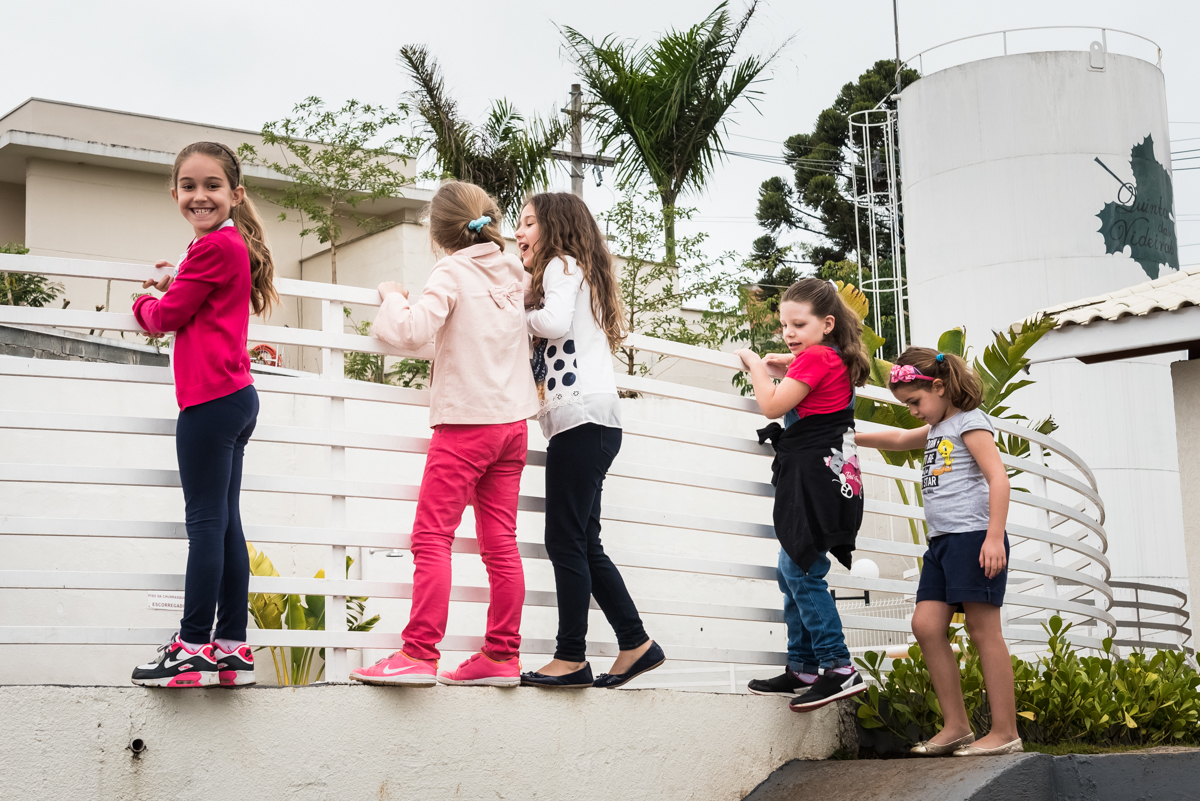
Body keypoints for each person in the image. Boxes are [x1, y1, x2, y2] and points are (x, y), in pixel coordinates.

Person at [350, 181, 539, 688]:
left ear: (437, 234)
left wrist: (392, 297)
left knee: (432, 537)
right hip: (513, 427)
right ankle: (502, 655)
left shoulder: (452, 270)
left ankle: (418, 653)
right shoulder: (514, 269)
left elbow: (410, 331)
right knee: (501, 544)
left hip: (466, 426)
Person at [130, 142, 278, 688]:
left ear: (235, 195)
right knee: (226, 524)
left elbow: (166, 316)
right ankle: (231, 646)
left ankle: (192, 645)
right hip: (234, 397)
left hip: (210, 402)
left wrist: (143, 300)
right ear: (175, 193)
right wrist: (175, 279)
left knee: (207, 525)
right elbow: (199, 299)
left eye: (212, 186)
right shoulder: (223, 245)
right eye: (189, 186)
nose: (200, 195)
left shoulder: (215, 246)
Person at [513, 193, 664, 690]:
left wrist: (513, 314)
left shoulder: (561, 264)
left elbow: (553, 324)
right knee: (582, 540)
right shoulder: (575, 271)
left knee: (564, 540)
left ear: (555, 227)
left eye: (528, 223)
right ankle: (635, 642)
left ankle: (571, 656)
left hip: (582, 421)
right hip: (591, 422)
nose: (519, 233)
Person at [856, 348, 1021, 756]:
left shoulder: (970, 422)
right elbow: (897, 439)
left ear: (939, 386)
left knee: (983, 631)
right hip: (942, 543)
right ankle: (957, 726)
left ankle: (1005, 732)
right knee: (926, 626)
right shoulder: (934, 430)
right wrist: (846, 436)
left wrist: (994, 537)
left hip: (974, 538)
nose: (913, 411)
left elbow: (999, 479)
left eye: (915, 402)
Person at [735, 278, 869, 712]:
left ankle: (839, 667)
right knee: (791, 566)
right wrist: (786, 367)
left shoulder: (817, 356)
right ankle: (804, 667)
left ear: (827, 324)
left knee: (802, 570)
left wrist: (754, 365)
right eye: (785, 326)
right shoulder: (831, 357)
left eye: (799, 324)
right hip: (830, 477)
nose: (789, 333)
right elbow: (807, 396)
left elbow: (773, 406)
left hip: (815, 479)